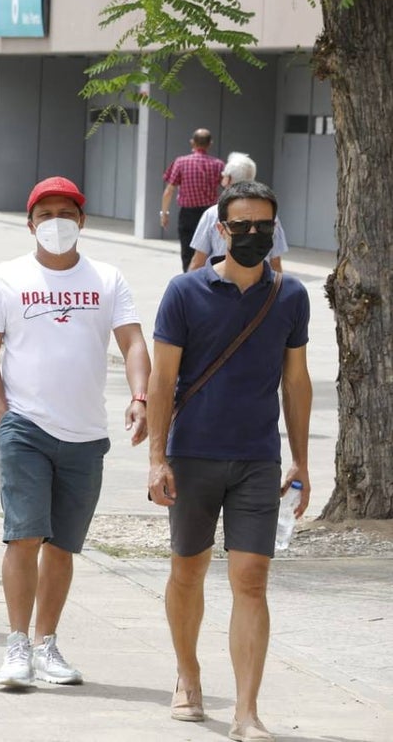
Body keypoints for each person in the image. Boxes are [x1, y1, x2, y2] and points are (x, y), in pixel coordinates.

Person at [147, 181, 311, 742]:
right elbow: (162, 378)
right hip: (192, 456)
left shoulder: (290, 296)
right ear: (220, 229)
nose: (252, 236)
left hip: (257, 459)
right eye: (241, 226)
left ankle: (246, 710)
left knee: (252, 578)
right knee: (187, 571)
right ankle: (188, 675)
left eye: (263, 227)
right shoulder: (184, 292)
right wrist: (156, 459)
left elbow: (296, 380)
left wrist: (301, 460)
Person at [0, 176, 151, 688]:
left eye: (66, 213)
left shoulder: (108, 278)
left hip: (86, 434)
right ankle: (17, 645)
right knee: (24, 534)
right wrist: (2, 414)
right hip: (25, 426)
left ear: (82, 221)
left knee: (63, 545)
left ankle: (47, 643)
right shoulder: (7, 278)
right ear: (30, 223)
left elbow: (134, 343)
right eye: (46, 214)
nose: (56, 223)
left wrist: (141, 398)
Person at [188, 152, 288, 273]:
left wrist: (189, 287)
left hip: (219, 281)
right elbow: (275, 262)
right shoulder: (269, 216)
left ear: (228, 179)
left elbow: (198, 261)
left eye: (224, 175)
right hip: (261, 285)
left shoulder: (212, 214)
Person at [162, 128, 225, 272]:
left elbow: (169, 191)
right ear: (210, 144)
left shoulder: (181, 162)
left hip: (187, 214)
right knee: (210, 252)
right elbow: (227, 188)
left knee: (187, 252)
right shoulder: (218, 164)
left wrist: (164, 213)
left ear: (192, 142)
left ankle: (188, 281)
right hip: (210, 214)